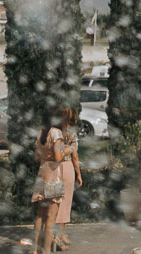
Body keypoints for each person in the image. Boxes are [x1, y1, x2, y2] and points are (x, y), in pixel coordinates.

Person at [31, 109, 67, 254]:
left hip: (41, 173)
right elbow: (58, 157)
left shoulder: (41, 133)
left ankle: (35, 249)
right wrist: (68, 150)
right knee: (51, 217)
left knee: (40, 215)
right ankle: (46, 251)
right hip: (54, 174)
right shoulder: (56, 133)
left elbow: (36, 158)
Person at [52, 106, 83, 250]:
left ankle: (55, 236)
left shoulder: (52, 132)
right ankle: (58, 237)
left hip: (52, 169)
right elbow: (75, 155)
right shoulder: (71, 133)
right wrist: (79, 174)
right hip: (66, 167)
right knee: (65, 204)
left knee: (54, 203)